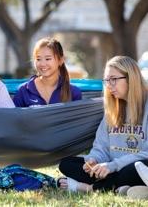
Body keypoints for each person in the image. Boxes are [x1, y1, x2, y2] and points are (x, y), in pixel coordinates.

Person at [58, 56, 148, 193]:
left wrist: (113, 165)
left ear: (131, 78)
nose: (109, 85)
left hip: (130, 166)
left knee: (136, 168)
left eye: (113, 79)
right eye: (106, 80)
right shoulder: (113, 109)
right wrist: (93, 160)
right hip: (111, 169)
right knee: (66, 164)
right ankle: (123, 188)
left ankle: (88, 188)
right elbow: (101, 146)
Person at [13, 37, 82, 107]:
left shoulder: (73, 92)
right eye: (38, 59)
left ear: (60, 60)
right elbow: (14, 116)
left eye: (48, 59)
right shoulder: (23, 90)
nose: (42, 64)